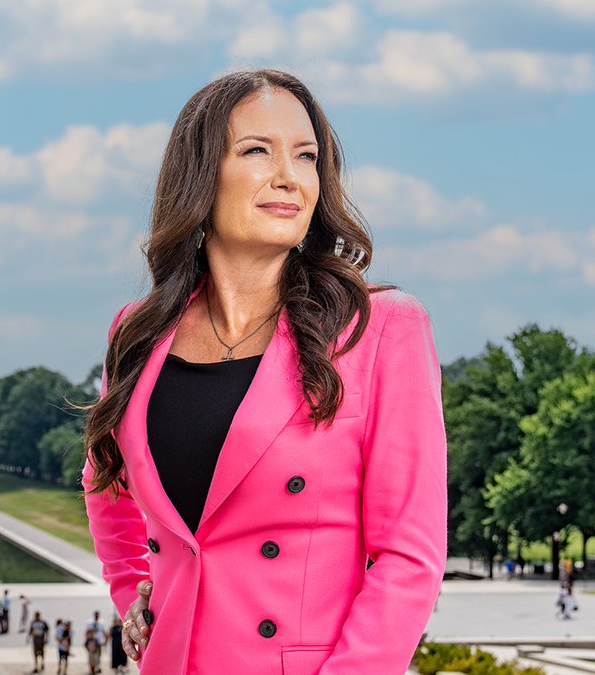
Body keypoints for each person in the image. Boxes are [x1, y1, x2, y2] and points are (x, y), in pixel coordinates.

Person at [82, 69, 448, 674]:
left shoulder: (379, 327)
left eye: (307, 158)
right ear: (201, 175)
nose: (290, 177)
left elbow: (409, 557)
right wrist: (132, 595)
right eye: (257, 150)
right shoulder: (138, 330)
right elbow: (105, 485)